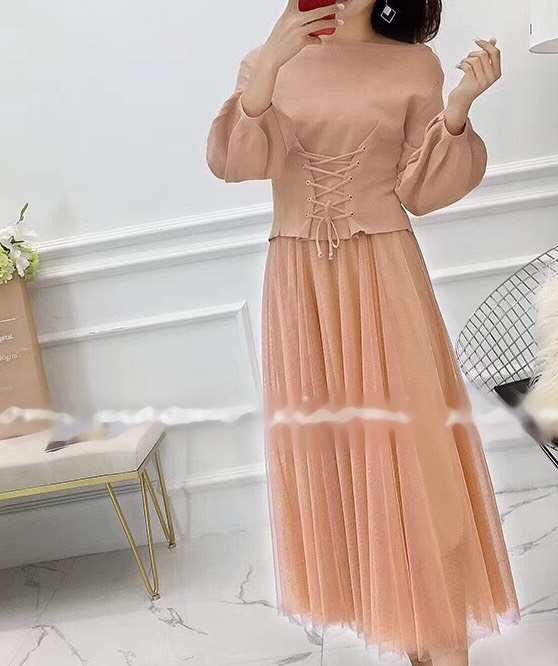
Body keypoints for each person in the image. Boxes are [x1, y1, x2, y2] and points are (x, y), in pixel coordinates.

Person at [207, 1, 519, 663]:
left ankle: (442, 641)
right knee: (338, 458)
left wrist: (458, 108)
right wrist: (271, 60)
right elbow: (237, 161)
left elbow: (420, 190)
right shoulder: (267, 63)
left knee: (418, 458)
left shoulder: (413, 63)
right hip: (301, 287)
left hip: (385, 274)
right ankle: (401, 626)